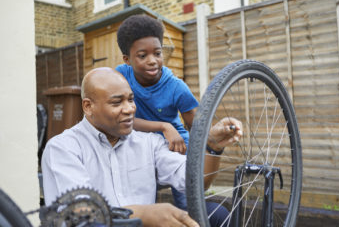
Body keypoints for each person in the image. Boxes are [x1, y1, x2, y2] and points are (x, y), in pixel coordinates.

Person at [41, 67, 243, 227]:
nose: (129, 109)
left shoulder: (148, 143)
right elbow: (82, 215)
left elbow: (194, 180)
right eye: (116, 102)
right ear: (88, 106)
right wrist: (144, 215)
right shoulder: (63, 148)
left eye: (130, 99)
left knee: (218, 216)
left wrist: (213, 147)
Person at [115, 14, 196, 211]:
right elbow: (120, 119)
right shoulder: (120, 76)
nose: (152, 61)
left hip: (174, 146)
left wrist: (200, 155)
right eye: (143, 56)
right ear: (127, 59)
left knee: (188, 205)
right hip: (139, 149)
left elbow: (200, 127)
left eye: (157, 54)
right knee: (141, 204)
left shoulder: (177, 87)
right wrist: (163, 126)